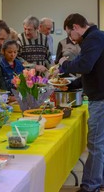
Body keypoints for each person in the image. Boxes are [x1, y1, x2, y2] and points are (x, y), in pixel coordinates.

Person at [57, 13, 104, 192]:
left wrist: (64, 64)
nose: (71, 39)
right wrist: (72, 84)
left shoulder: (92, 38)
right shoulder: (97, 37)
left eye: (70, 34)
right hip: (99, 95)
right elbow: (92, 73)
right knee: (100, 143)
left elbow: (84, 66)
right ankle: (98, 181)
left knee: (95, 144)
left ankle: (90, 186)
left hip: (100, 99)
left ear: (75, 27)